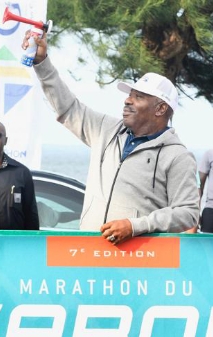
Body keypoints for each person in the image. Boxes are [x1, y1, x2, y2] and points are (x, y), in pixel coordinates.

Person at [23, 31, 199, 245]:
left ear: (161, 109)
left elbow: (188, 213)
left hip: (136, 261)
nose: (127, 100)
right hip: (90, 251)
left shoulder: (177, 156)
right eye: (130, 94)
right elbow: (68, 108)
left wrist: (135, 226)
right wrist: (42, 63)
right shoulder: (106, 129)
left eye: (138, 97)